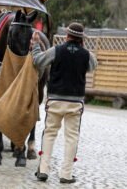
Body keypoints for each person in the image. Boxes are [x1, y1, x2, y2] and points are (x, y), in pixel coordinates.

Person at [30, 22, 97, 184]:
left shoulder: (56, 51)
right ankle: (66, 174)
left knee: (50, 133)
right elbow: (92, 66)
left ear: (67, 35)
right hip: (75, 103)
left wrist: (36, 45)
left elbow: (38, 61)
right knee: (71, 137)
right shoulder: (87, 55)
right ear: (82, 39)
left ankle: (44, 170)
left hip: (55, 100)